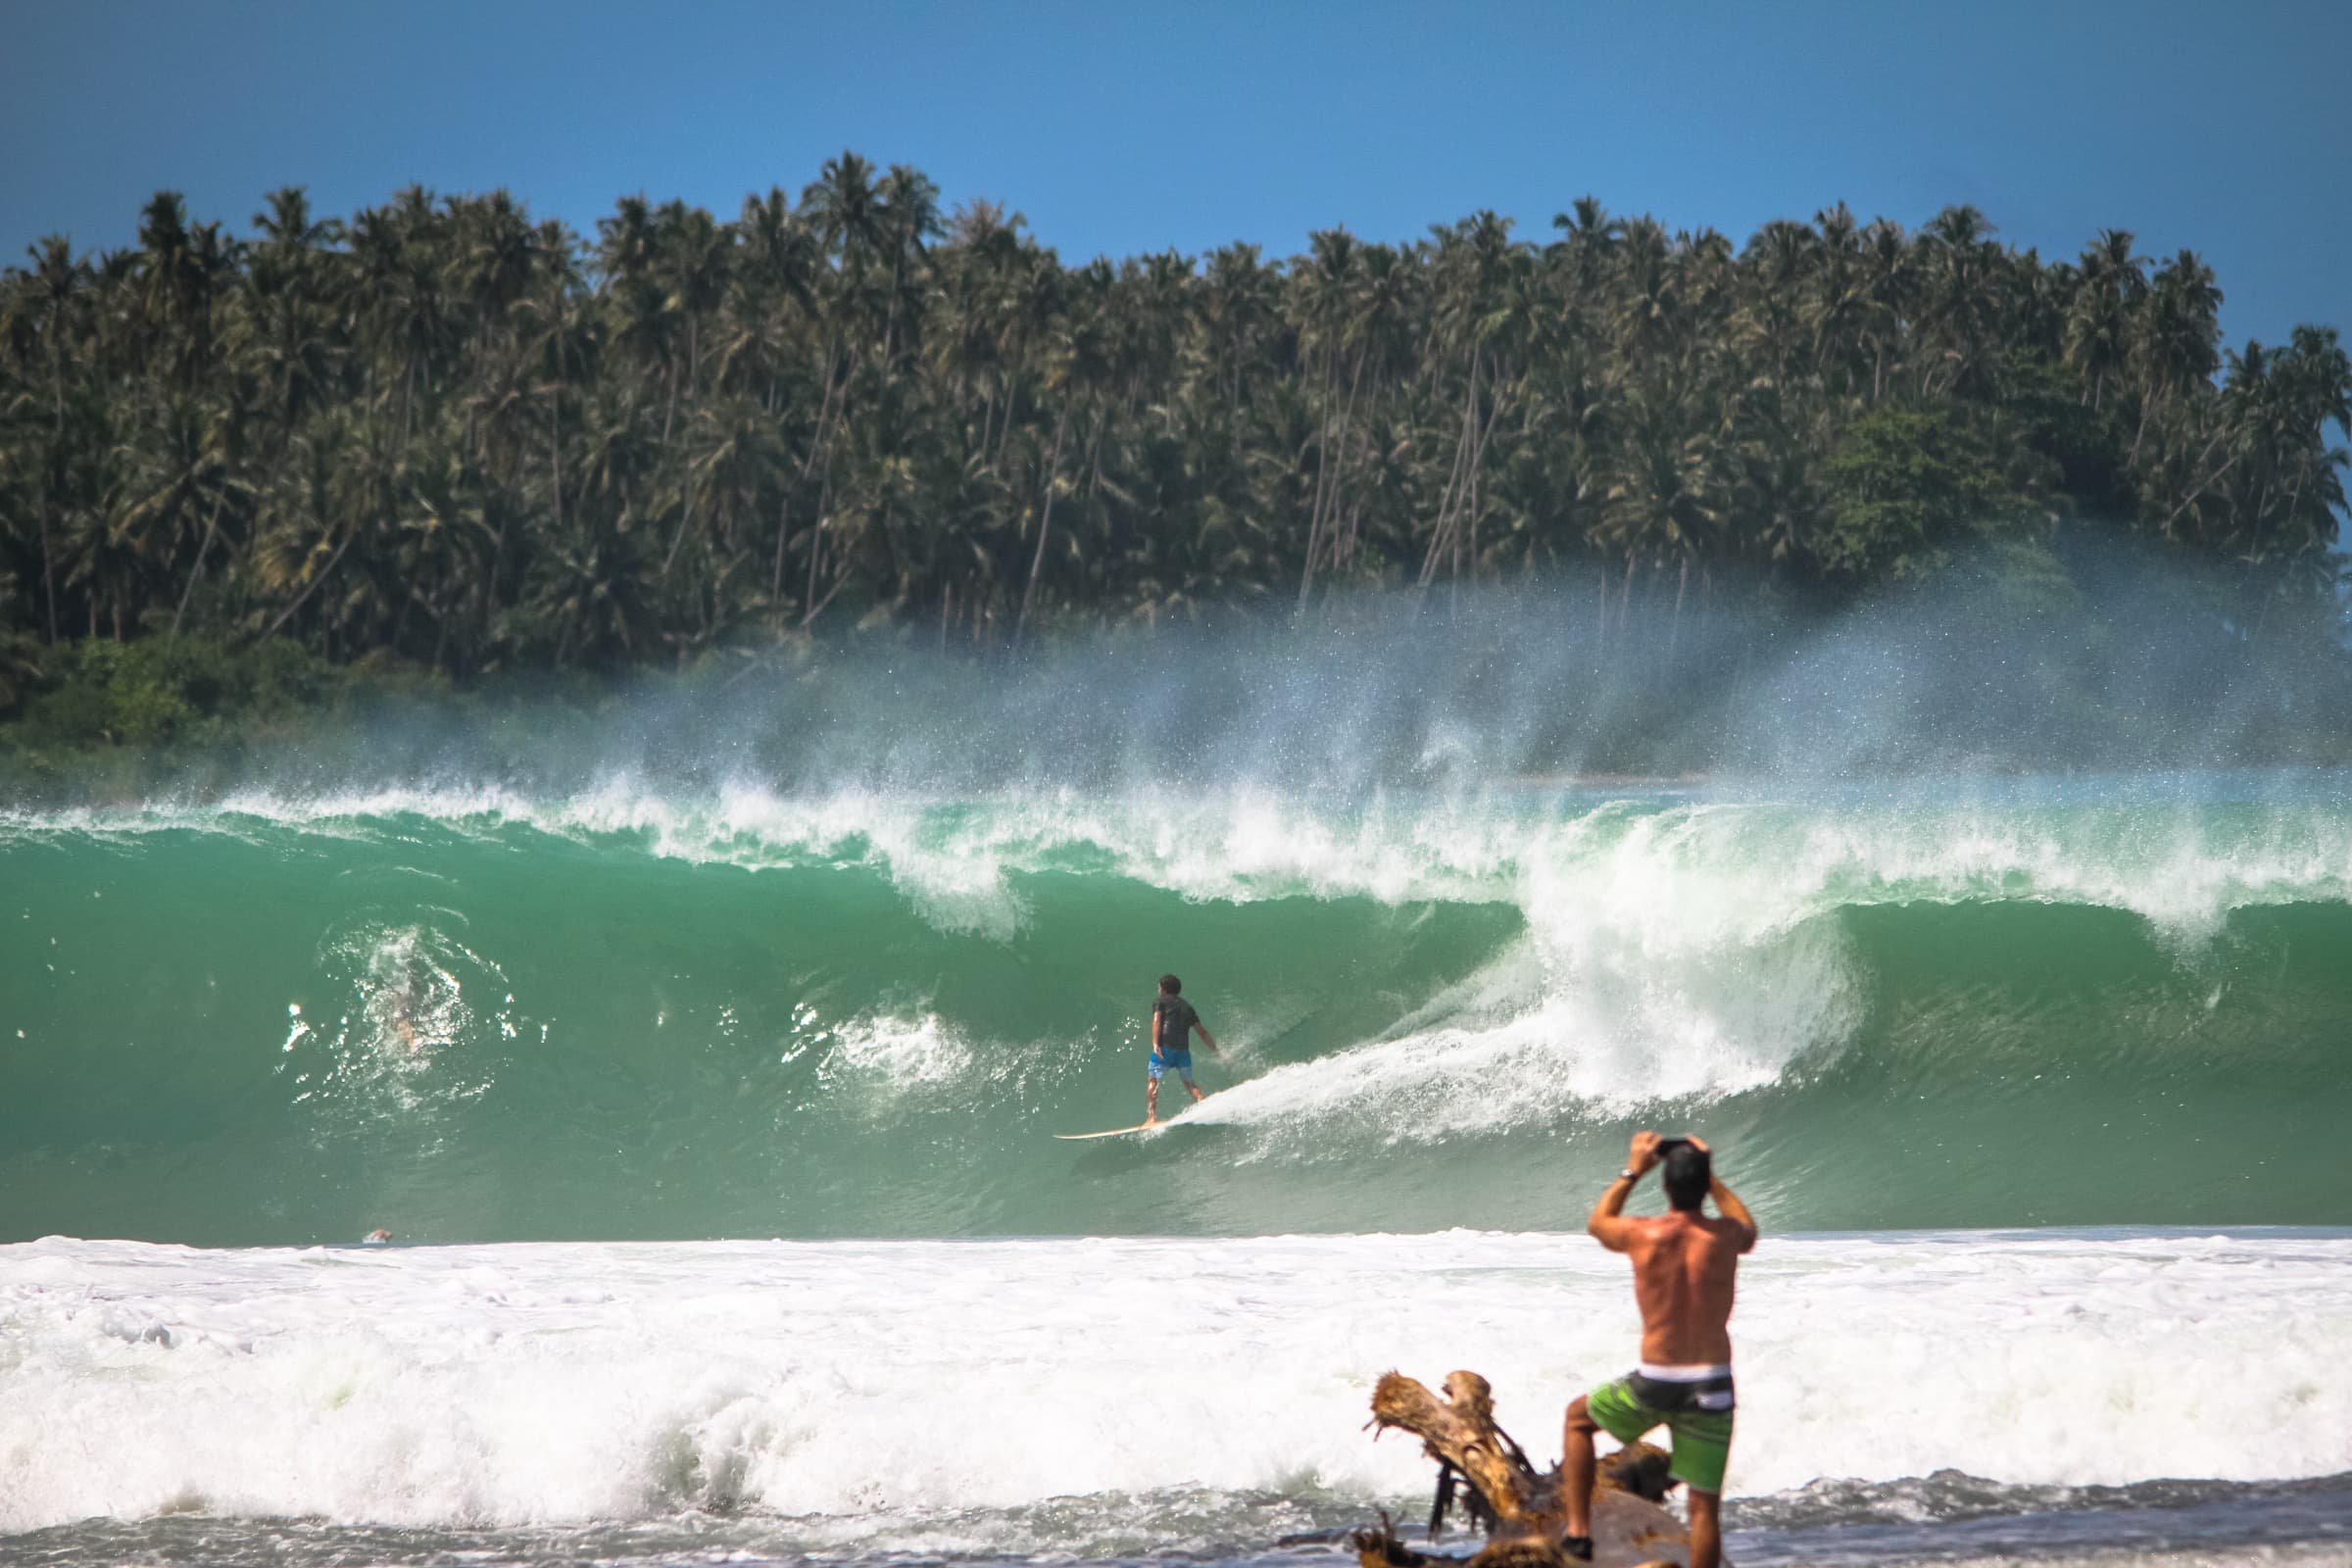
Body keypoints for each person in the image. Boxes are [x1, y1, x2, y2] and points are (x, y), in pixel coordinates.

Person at [1559, 1131, 1758, 1568]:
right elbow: (1749, 1229)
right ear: (1703, 1186)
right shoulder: (1724, 1236)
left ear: (1665, 1187)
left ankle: (1577, 1533)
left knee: (1577, 1421)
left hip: (1656, 1380)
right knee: (1703, 1509)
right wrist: (1711, 1176)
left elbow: (1598, 1222)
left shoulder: (1643, 1234)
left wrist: (1634, 1169)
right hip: (1712, 1384)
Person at [1144, 973, 1219, 1125]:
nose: (1158, 989)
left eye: (1159, 987)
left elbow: (1157, 1020)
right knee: (1190, 1083)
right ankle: (1206, 1104)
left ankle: (1151, 1118)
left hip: (1165, 1048)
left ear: (1163, 989)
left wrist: (1155, 1044)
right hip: (1183, 1051)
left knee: (1153, 1079)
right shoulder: (1188, 1007)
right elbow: (1202, 1032)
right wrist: (1216, 1052)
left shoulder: (1160, 1001)